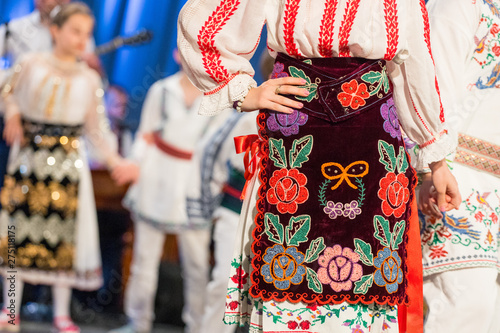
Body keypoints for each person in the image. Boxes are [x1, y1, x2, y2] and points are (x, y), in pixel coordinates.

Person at [177, 1, 461, 332]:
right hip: (298, 127)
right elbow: (205, 23)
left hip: (372, 140)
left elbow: (415, 65)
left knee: (368, 281)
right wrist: (242, 92)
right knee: (287, 272)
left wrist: (437, 161)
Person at [0, 3, 125, 332]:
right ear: (55, 31)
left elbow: (97, 128)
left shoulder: (89, 77)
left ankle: (61, 313)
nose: (81, 39)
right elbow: (7, 91)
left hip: (68, 162)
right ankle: (9, 308)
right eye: (75, 31)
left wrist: (114, 162)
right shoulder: (31, 64)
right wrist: (12, 113)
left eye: (86, 33)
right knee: (17, 233)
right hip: (29, 157)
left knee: (63, 234)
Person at [108, 51, 233, 333]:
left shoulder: (221, 99)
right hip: (157, 177)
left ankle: (198, 326)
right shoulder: (162, 90)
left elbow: (221, 148)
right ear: (178, 54)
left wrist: (214, 186)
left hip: (194, 183)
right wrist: (135, 162)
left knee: (197, 265)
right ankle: (137, 322)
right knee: (144, 260)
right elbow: (146, 134)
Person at [415, 0, 500, 331]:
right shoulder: (464, 4)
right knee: (464, 311)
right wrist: (430, 167)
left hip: (491, 190)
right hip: (456, 181)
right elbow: (432, 84)